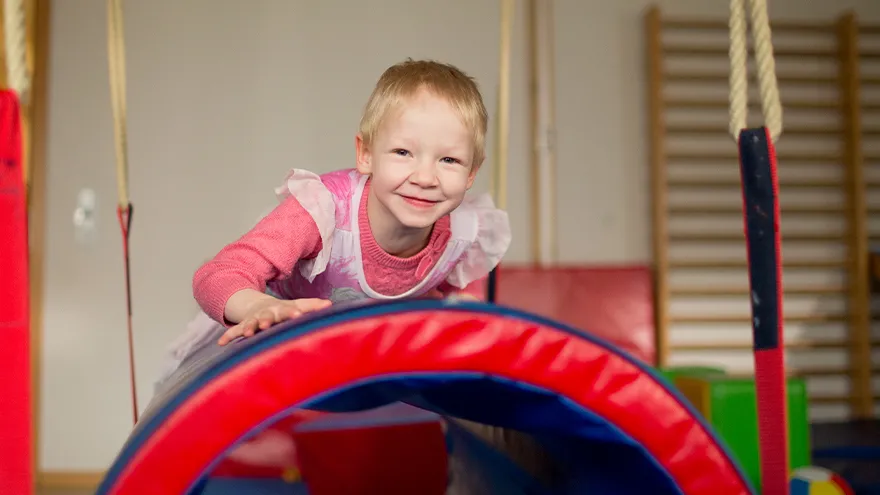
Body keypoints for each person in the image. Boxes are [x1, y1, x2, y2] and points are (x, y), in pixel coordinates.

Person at [191, 58, 511, 347]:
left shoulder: (465, 236)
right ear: (366, 154)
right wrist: (258, 307)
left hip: (361, 361)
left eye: (450, 160)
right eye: (403, 152)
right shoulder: (324, 210)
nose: (425, 177)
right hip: (273, 341)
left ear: (471, 173)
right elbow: (218, 273)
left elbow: (465, 326)